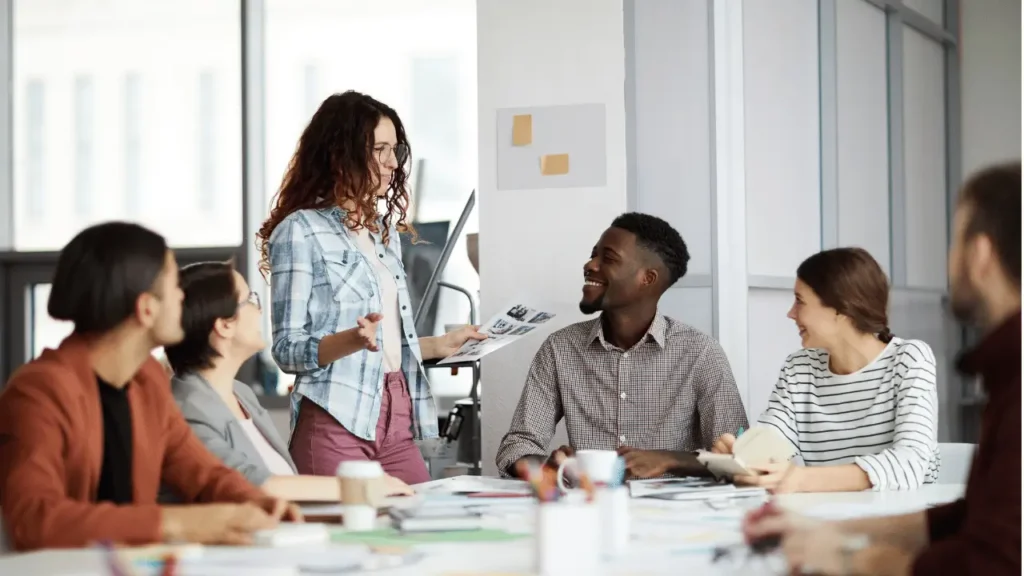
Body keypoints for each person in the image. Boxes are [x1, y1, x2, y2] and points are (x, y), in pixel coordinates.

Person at [742, 161, 1020, 575]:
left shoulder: (942, 364)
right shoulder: (1005, 370)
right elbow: (972, 519)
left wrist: (849, 555)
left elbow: (992, 560)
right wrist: (843, 531)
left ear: (978, 254)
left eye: (955, 242)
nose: (949, 260)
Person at [0, 222, 300, 552]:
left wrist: (257, 502)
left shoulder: (147, 381)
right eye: (175, 286)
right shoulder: (37, 392)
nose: (184, 297)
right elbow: (35, 520)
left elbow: (200, 471)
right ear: (146, 308)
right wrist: (177, 523)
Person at [256, 91, 485, 484]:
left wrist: (437, 346)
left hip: (395, 419)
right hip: (335, 420)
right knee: (348, 541)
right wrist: (351, 339)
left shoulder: (383, 235)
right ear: (339, 152)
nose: (393, 164)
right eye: (380, 149)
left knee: (419, 527)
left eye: (395, 150)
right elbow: (287, 350)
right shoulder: (300, 231)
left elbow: (384, 344)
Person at [495, 213, 748, 479]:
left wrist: (669, 461)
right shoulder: (560, 348)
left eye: (608, 258)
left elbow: (738, 458)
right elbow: (516, 447)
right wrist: (547, 466)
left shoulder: (701, 353)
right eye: (594, 255)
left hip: (674, 516)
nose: (590, 265)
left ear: (647, 278)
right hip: (589, 508)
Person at [164, 261, 414, 501]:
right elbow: (250, 484)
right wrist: (364, 487)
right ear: (224, 325)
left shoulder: (241, 394)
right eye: (251, 300)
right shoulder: (185, 411)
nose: (259, 308)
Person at [711, 247, 940, 493]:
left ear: (841, 309)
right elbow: (771, 443)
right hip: (826, 521)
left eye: (800, 301)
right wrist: (742, 457)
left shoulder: (909, 359)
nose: (790, 313)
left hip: (901, 523)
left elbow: (911, 461)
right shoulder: (799, 369)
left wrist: (802, 479)